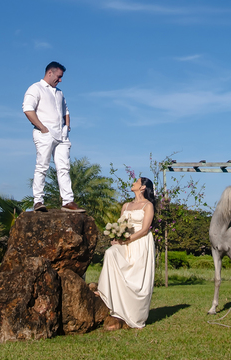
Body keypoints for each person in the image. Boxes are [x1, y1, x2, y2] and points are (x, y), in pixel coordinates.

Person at [96, 177, 157, 329]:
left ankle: (133, 315)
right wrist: (116, 237)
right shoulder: (126, 205)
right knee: (111, 253)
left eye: (137, 181)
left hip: (139, 243)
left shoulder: (148, 206)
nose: (133, 182)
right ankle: (104, 293)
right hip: (124, 242)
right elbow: (119, 224)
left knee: (136, 279)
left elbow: (144, 230)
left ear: (142, 187)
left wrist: (127, 239)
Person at [22, 61, 81, 212]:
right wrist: (42, 128)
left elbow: (66, 110)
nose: (60, 80)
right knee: (42, 166)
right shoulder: (35, 88)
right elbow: (28, 109)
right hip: (45, 133)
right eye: (59, 76)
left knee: (64, 167)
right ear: (50, 73)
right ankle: (38, 201)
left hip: (61, 135)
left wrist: (67, 127)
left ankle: (68, 201)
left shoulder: (59, 92)